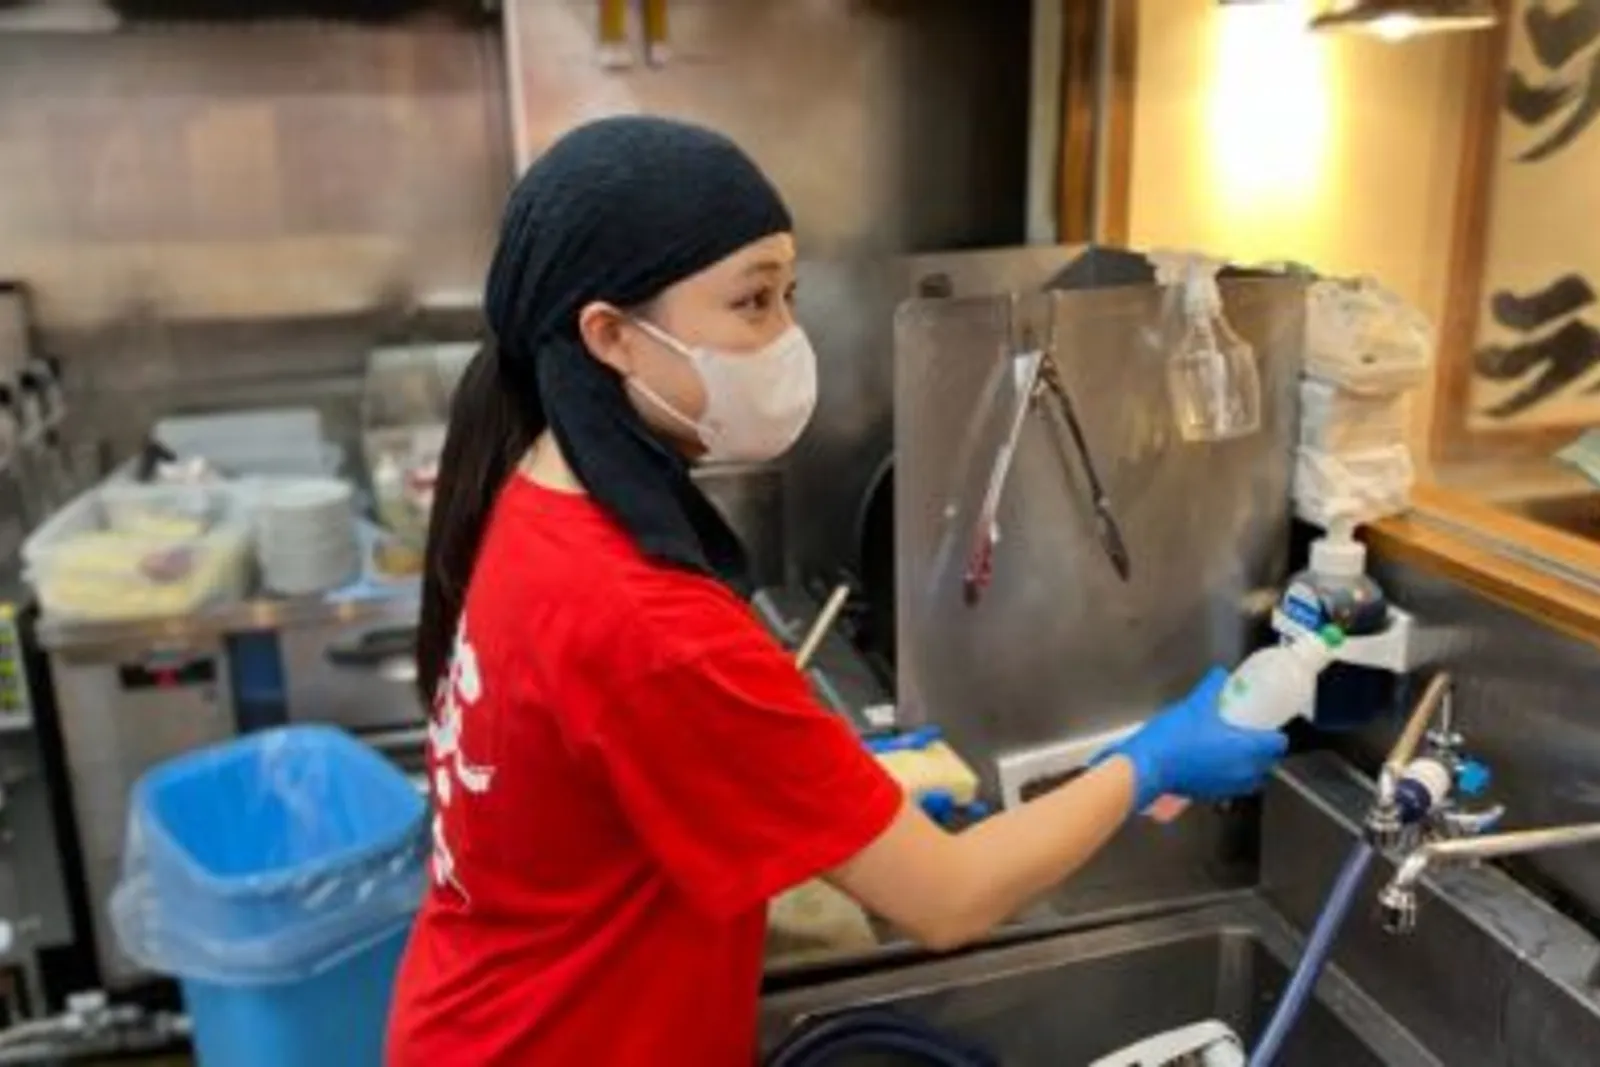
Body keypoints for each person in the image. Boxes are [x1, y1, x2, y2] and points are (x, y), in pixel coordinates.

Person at [385, 116, 1286, 1067]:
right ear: (609, 335)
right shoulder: (649, 619)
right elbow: (950, 899)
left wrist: (829, 784)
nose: (786, 338)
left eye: (789, 294)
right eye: (752, 304)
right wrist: (1148, 763)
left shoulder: (533, 492)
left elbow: (612, 773)